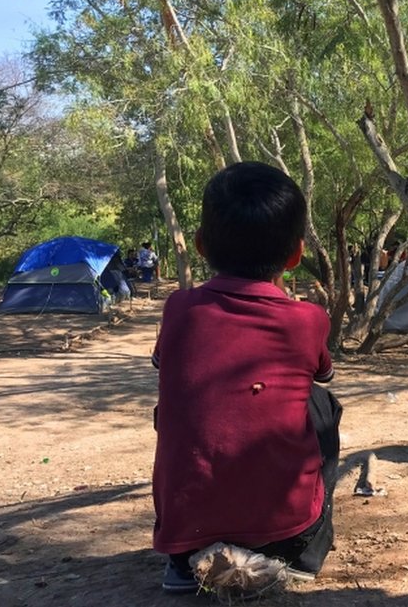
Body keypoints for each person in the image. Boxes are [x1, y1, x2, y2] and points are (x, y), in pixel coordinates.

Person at [151, 161, 342, 594]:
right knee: (320, 404)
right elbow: (323, 373)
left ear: (200, 245)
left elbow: (165, 365)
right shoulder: (307, 319)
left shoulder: (179, 309)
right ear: (295, 255)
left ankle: (183, 563)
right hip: (283, 531)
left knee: (177, 409)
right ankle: (306, 552)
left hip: (185, 532)